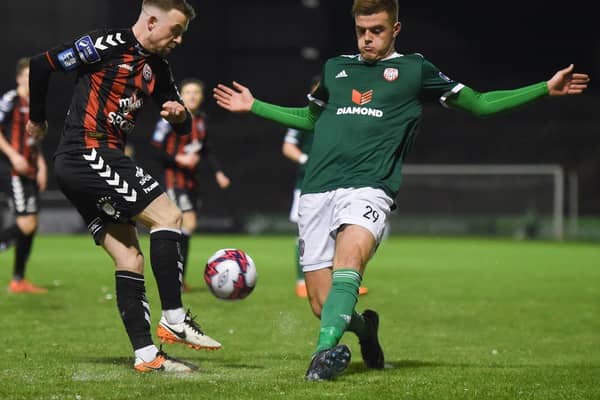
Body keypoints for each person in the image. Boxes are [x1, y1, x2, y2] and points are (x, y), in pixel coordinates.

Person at [214, 0, 590, 380]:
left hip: (370, 187)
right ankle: (365, 330)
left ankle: (322, 355)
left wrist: (544, 88)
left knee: (350, 263)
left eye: (376, 30)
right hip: (317, 189)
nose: (367, 39)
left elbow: (479, 104)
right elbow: (312, 118)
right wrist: (256, 106)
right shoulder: (335, 68)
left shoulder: (414, 70)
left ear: (395, 29)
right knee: (321, 303)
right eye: (361, 31)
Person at [27, 0, 222, 373]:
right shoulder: (105, 45)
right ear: (151, 21)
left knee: (129, 257)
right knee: (169, 216)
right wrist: (38, 120)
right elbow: (42, 65)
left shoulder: (158, 68)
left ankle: (148, 357)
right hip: (87, 151)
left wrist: (182, 116)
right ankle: (175, 317)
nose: (179, 40)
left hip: (89, 162)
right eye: (175, 31)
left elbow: (178, 118)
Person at [282, 75, 369, 299]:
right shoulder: (307, 115)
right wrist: (306, 160)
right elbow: (288, 147)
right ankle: (302, 281)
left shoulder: (344, 115)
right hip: (308, 183)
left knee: (345, 232)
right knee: (305, 234)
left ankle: (345, 282)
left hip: (341, 182)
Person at [151, 78, 231, 292]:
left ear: (202, 97)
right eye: (188, 92)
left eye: (196, 92)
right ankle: (174, 278)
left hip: (191, 182)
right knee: (187, 224)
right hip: (173, 180)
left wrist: (219, 173)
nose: (192, 96)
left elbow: (207, 149)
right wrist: (179, 159)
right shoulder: (170, 118)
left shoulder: (202, 119)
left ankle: (177, 279)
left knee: (183, 228)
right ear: (180, 95)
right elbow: (155, 148)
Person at [0, 57, 48, 294]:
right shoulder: (11, 100)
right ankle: (17, 279)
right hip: (14, 170)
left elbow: (34, 140)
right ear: (19, 78)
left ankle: (18, 280)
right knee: (25, 223)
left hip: (31, 169)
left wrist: (40, 164)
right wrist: (13, 156)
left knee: (32, 223)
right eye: (27, 76)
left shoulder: (35, 104)